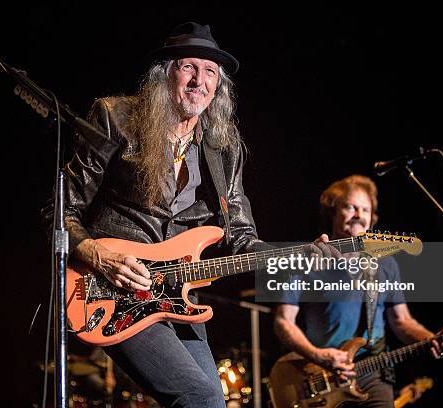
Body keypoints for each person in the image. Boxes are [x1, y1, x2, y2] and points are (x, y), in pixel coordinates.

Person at [43, 22, 336, 408]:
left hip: (176, 296)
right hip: (112, 292)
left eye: (211, 71)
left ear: (219, 87)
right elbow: (59, 211)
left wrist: (300, 252)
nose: (200, 80)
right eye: (189, 67)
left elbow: (242, 240)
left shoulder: (224, 148)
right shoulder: (116, 117)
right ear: (165, 73)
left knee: (212, 399)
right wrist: (101, 255)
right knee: (199, 398)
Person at [273, 175, 443, 407]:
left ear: (372, 219)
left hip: (373, 374)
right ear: (333, 212)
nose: (359, 214)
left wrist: (429, 338)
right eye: (350, 206)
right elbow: (283, 321)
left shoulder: (386, 264)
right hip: (319, 374)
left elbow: (402, 321)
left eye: (365, 209)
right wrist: (318, 355)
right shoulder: (307, 259)